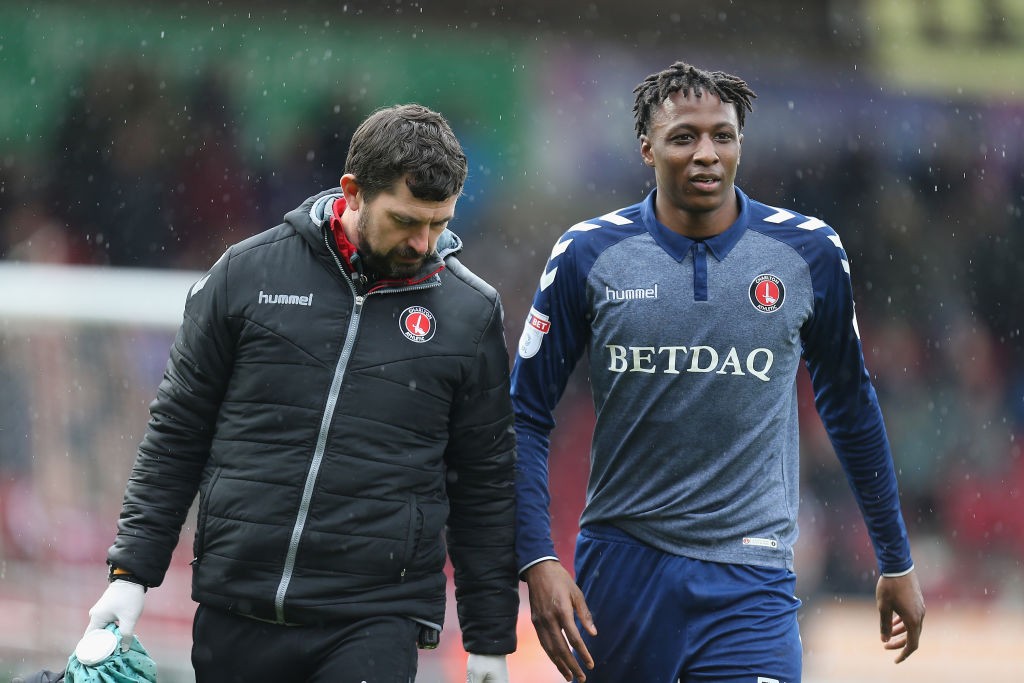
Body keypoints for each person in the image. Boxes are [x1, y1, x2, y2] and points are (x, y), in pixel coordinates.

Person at [511, 61, 926, 683]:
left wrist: (895, 559)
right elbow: (524, 413)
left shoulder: (808, 252)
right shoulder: (588, 254)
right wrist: (537, 558)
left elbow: (850, 404)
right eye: (683, 137)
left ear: (739, 144)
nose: (706, 153)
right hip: (622, 570)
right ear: (647, 149)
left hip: (751, 577)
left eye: (722, 136)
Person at [83, 103, 518, 683]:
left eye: (439, 224)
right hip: (238, 602)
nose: (424, 243)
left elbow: (483, 483)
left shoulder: (471, 313)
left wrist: (488, 639)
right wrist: (130, 575)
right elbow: (177, 430)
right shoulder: (247, 274)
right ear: (353, 192)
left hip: (375, 619)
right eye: (407, 221)